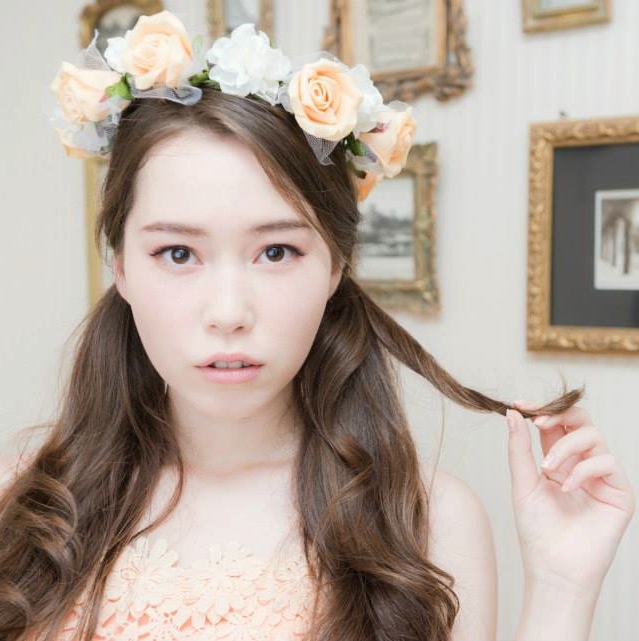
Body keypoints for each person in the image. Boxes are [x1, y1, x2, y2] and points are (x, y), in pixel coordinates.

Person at [0, 10, 634, 641]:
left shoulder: (430, 521)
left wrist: (562, 586)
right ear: (120, 267)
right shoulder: (21, 505)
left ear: (335, 265)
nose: (229, 313)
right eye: (178, 253)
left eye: (276, 252)